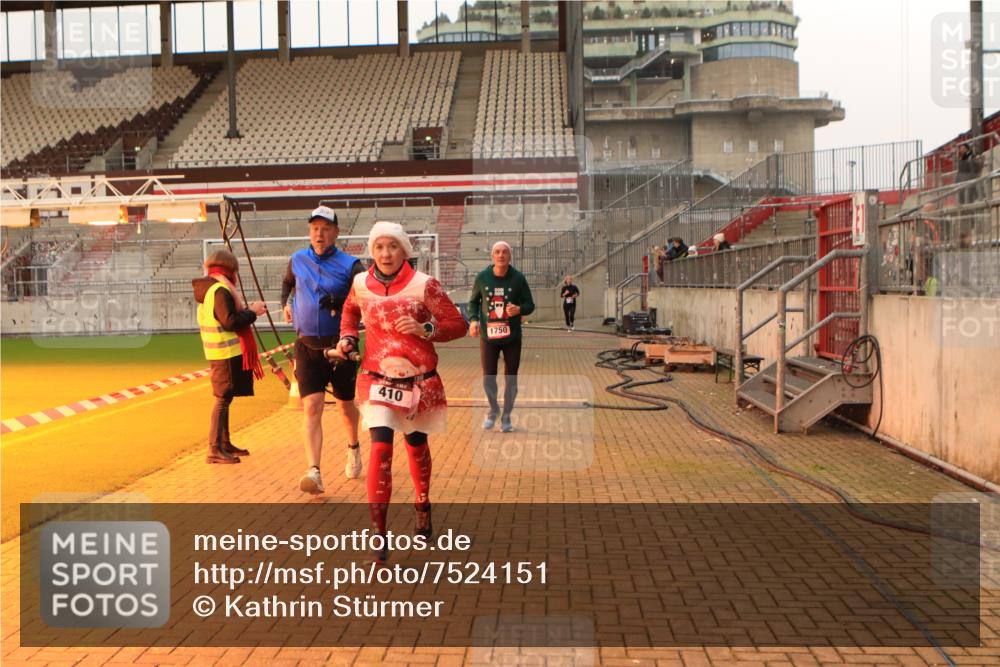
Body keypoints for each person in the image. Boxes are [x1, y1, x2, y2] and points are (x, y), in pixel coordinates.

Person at [334, 221, 466, 558]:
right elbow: (350, 311)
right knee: (380, 449)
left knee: (415, 444)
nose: (385, 253)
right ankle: (379, 535)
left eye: (392, 246)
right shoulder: (360, 283)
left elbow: (458, 325)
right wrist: (348, 338)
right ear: (372, 251)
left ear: (404, 250)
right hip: (376, 378)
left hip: (418, 382)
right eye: (379, 247)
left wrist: (426, 328)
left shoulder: (425, 285)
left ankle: (422, 505)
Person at [281, 206, 365, 494]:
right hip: (307, 346)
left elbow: (364, 299)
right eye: (315, 227)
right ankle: (314, 471)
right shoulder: (296, 259)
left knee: (344, 406)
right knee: (312, 407)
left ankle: (353, 446)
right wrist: (285, 304)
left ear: (336, 233)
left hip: (341, 346)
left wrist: (340, 303)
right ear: (309, 232)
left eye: (326, 228)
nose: (319, 233)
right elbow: (287, 283)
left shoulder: (352, 265)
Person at [193, 250, 267, 464]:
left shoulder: (210, 288)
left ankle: (223, 443)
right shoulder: (220, 290)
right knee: (222, 399)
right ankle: (214, 448)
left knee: (225, 398)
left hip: (219, 351)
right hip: (224, 353)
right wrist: (252, 312)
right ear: (230, 269)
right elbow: (230, 322)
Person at [468, 241, 535, 433]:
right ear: (492, 256)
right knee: (488, 377)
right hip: (488, 337)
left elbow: (530, 304)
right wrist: (473, 320)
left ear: (510, 256)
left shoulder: (518, 278)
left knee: (511, 379)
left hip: (512, 337)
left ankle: (506, 416)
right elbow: (473, 302)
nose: (501, 255)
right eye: (497, 252)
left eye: (505, 252)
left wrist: (519, 309)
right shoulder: (482, 278)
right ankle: (494, 410)